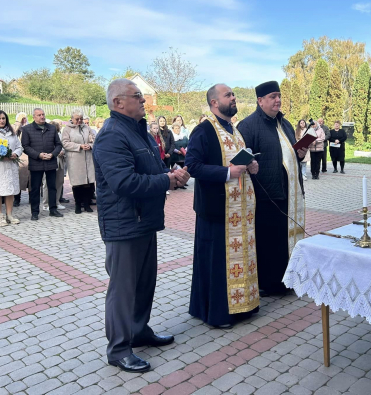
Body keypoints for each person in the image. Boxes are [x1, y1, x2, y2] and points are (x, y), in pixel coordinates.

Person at [93, 79, 190, 373]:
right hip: (123, 223)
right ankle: (119, 348)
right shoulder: (111, 135)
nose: (144, 101)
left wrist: (171, 172)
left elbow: (151, 169)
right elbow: (123, 182)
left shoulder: (141, 132)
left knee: (145, 282)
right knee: (123, 289)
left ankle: (139, 330)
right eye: (138, 96)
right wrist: (167, 180)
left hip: (144, 220)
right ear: (118, 102)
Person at [186, 84, 260, 327]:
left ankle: (243, 306)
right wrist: (227, 172)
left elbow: (240, 162)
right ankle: (219, 314)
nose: (234, 97)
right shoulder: (203, 130)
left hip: (241, 212)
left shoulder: (235, 131)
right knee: (218, 263)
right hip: (218, 210)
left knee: (241, 259)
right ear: (214, 103)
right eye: (228, 95)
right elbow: (193, 166)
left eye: (233, 94)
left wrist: (251, 167)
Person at [238, 81, 307, 296]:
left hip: (289, 193)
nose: (277, 100)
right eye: (272, 96)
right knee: (269, 241)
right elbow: (241, 160)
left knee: (285, 238)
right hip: (265, 195)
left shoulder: (285, 124)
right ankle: (269, 283)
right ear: (260, 101)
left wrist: (300, 153)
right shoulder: (247, 126)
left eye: (279, 96)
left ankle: (290, 277)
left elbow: (290, 154)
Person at [21, 108, 64, 221]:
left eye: (43, 114)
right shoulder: (26, 129)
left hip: (50, 162)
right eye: (39, 115)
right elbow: (25, 146)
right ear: (34, 117)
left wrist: (53, 154)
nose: (42, 117)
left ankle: (53, 209)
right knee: (35, 188)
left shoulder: (52, 128)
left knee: (52, 187)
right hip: (36, 162)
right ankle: (35, 212)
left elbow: (58, 144)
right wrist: (38, 155)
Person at [62, 109, 96, 214]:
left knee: (87, 183)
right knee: (77, 183)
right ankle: (77, 204)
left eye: (81, 119)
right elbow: (65, 143)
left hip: (87, 159)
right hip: (75, 159)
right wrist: (79, 146)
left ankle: (86, 204)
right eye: (77, 119)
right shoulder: (67, 129)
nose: (79, 121)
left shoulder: (86, 128)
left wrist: (90, 146)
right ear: (72, 119)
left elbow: (95, 140)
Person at [42, 120, 66, 212]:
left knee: (59, 182)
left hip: (60, 161)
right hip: (49, 161)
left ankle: (56, 202)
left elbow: (63, 146)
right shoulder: (44, 135)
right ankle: (46, 203)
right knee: (47, 184)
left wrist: (62, 151)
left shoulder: (59, 135)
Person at [12, 113, 30, 207]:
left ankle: (32, 198)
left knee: (31, 179)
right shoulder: (15, 127)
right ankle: (17, 199)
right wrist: (18, 122)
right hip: (19, 156)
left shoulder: (28, 127)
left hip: (30, 155)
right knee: (19, 178)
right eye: (22, 119)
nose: (24, 120)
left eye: (24, 118)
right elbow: (13, 132)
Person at [170, 122, 188, 188]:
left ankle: (183, 183)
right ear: (173, 129)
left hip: (183, 156)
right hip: (175, 156)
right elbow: (171, 145)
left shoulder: (184, 136)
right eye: (176, 128)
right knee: (175, 170)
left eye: (178, 128)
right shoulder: (172, 137)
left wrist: (185, 150)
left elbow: (188, 144)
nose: (177, 129)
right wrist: (177, 151)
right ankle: (175, 184)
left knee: (182, 170)